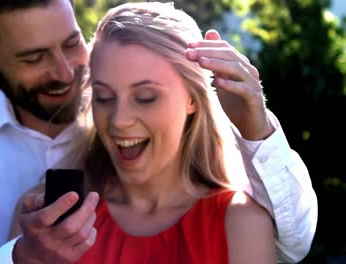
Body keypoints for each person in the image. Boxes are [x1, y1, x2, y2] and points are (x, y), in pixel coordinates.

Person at [0, 0, 316, 263]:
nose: (66, 73)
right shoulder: (20, 198)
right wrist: (21, 258)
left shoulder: (238, 218)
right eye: (34, 57)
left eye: (71, 44)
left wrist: (255, 126)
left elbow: (295, 242)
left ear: (193, 99)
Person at [67, 2, 276, 262]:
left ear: (192, 99)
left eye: (145, 97)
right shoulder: (55, 217)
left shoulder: (242, 225)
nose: (119, 121)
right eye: (104, 96)